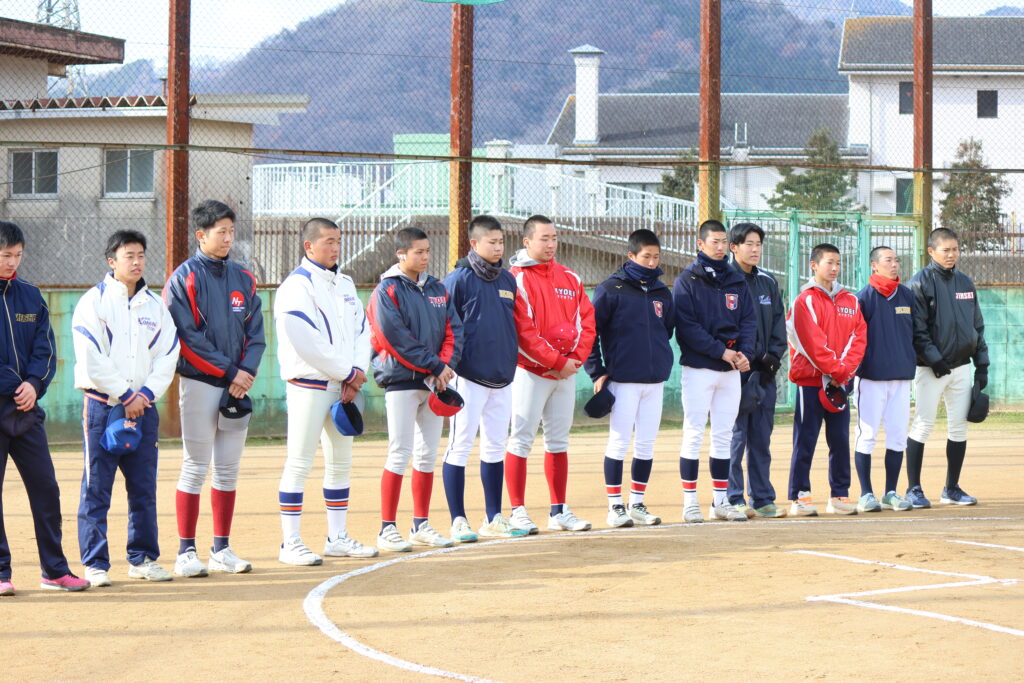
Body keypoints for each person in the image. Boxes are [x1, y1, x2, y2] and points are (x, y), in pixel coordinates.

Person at [164, 200, 266, 576]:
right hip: (200, 382)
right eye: (221, 232)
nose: (228, 238)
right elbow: (186, 338)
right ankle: (185, 552)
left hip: (236, 386)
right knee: (194, 466)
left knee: (227, 469)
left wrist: (246, 372)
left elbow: (256, 332)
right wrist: (231, 372)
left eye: (231, 231)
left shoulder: (244, 278)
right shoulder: (184, 278)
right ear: (200, 235)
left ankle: (221, 549)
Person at [73, 230, 180, 586]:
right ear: (112, 261)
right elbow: (91, 356)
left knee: (143, 488)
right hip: (103, 408)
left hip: (143, 410)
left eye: (141, 255)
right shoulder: (94, 302)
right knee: (96, 488)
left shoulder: (155, 306)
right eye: (128, 256)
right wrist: (125, 394)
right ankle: (95, 564)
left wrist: (144, 395)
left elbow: (169, 353)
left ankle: (143, 558)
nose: (136, 262)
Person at [274, 218, 376, 565]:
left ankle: (337, 537)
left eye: (338, 241)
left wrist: (356, 373)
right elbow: (305, 339)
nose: (336, 247)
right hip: (310, 386)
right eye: (329, 241)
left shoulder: (344, 283)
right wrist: (347, 372)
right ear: (309, 246)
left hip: (344, 387)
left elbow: (363, 331)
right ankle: (290, 543)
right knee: (299, 462)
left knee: (340, 464)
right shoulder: (296, 285)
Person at [0, 221, 89, 595]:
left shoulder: (31, 296)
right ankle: (1, 574)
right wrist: (14, 384)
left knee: (46, 489)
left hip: (26, 412)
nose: (12, 262)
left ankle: (54, 570)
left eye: (18, 255)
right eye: (6, 255)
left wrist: (34, 384)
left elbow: (45, 349)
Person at [367, 226, 464, 552]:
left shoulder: (437, 288)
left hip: (435, 383)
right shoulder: (387, 290)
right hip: (401, 382)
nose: (425, 257)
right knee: (399, 451)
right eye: (418, 252)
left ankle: (420, 524)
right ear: (401, 254)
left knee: (427, 455)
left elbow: (453, 330)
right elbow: (394, 337)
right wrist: (436, 366)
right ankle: (387, 529)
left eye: (427, 251)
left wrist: (444, 367)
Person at [505, 215, 596, 534]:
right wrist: (556, 361)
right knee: (521, 438)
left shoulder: (570, 277)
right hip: (531, 372)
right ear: (527, 241)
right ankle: (517, 510)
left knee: (558, 440)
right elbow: (524, 331)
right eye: (544, 238)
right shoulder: (517, 278)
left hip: (566, 372)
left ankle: (558, 510)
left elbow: (587, 321)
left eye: (554, 238)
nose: (551, 244)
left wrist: (574, 360)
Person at [441, 216, 527, 541]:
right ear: (474, 244)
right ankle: (458, 520)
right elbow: (446, 327)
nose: (498, 247)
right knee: (460, 446)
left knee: (495, 447)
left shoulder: (507, 280)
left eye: (501, 241)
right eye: (492, 242)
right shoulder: (458, 279)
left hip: (502, 376)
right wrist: (445, 368)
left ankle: (494, 517)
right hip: (467, 377)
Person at [585, 229, 673, 528]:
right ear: (631, 256)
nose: (652, 262)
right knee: (619, 442)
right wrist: (597, 371)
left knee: (646, 444)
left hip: (654, 381)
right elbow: (591, 333)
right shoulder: (611, 289)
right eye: (646, 256)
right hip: (622, 380)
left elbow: (666, 330)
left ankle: (636, 503)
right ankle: (615, 507)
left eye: (656, 257)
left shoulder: (661, 292)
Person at [673, 219, 756, 523]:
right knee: (694, 432)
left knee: (723, 435)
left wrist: (745, 354)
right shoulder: (687, 280)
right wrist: (721, 351)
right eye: (714, 242)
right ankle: (690, 502)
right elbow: (687, 327)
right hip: (700, 368)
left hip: (731, 370)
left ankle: (720, 501)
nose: (720, 247)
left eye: (724, 242)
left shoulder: (735, 279)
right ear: (701, 244)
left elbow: (748, 320)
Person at [904, 228, 989, 507]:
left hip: (961, 367)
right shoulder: (919, 282)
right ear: (931, 252)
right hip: (930, 369)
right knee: (923, 424)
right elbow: (917, 329)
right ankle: (914, 489)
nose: (952, 255)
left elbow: (977, 326)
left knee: (959, 427)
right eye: (946, 250)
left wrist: (982, 364)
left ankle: (951, 488)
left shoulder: (965, 282)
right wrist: (935, 360)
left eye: (955, 249)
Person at [786, 243, 867, 516]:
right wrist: (836, 371)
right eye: (829, 262)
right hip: (810, 383)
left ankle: (839, 495)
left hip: (840, 384)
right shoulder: (804, 300)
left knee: (840, 440)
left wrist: (843, 373)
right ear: (814, 265)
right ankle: (800, 497)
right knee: (805, 439)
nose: (834, 268)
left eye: (838, 263)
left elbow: (858, 338)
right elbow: (811, 343)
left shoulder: (851, 301)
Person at [726, 223, 788, 519]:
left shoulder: (767, 281)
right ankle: (733, 497)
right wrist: (741, 358)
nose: (755, 249)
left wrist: (771, 357)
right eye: (748, 244)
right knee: (736, 437)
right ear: (734, 247)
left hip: (764, 374)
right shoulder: (724, 281)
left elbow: (778, 323)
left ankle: (762, 498)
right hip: (734, 373)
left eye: (758, 244)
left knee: (761, 438)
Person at [852, 246, 915, 513]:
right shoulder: (863, 298)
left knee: (898, 436)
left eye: (896, 260)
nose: (894, 264)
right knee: (867, 435)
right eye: (888, 260)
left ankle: (890, 492)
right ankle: (866, 493)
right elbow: (854, 339)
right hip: (871, 378)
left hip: (901, 378)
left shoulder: (907, 296)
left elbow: (917, 333)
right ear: (874, 266)